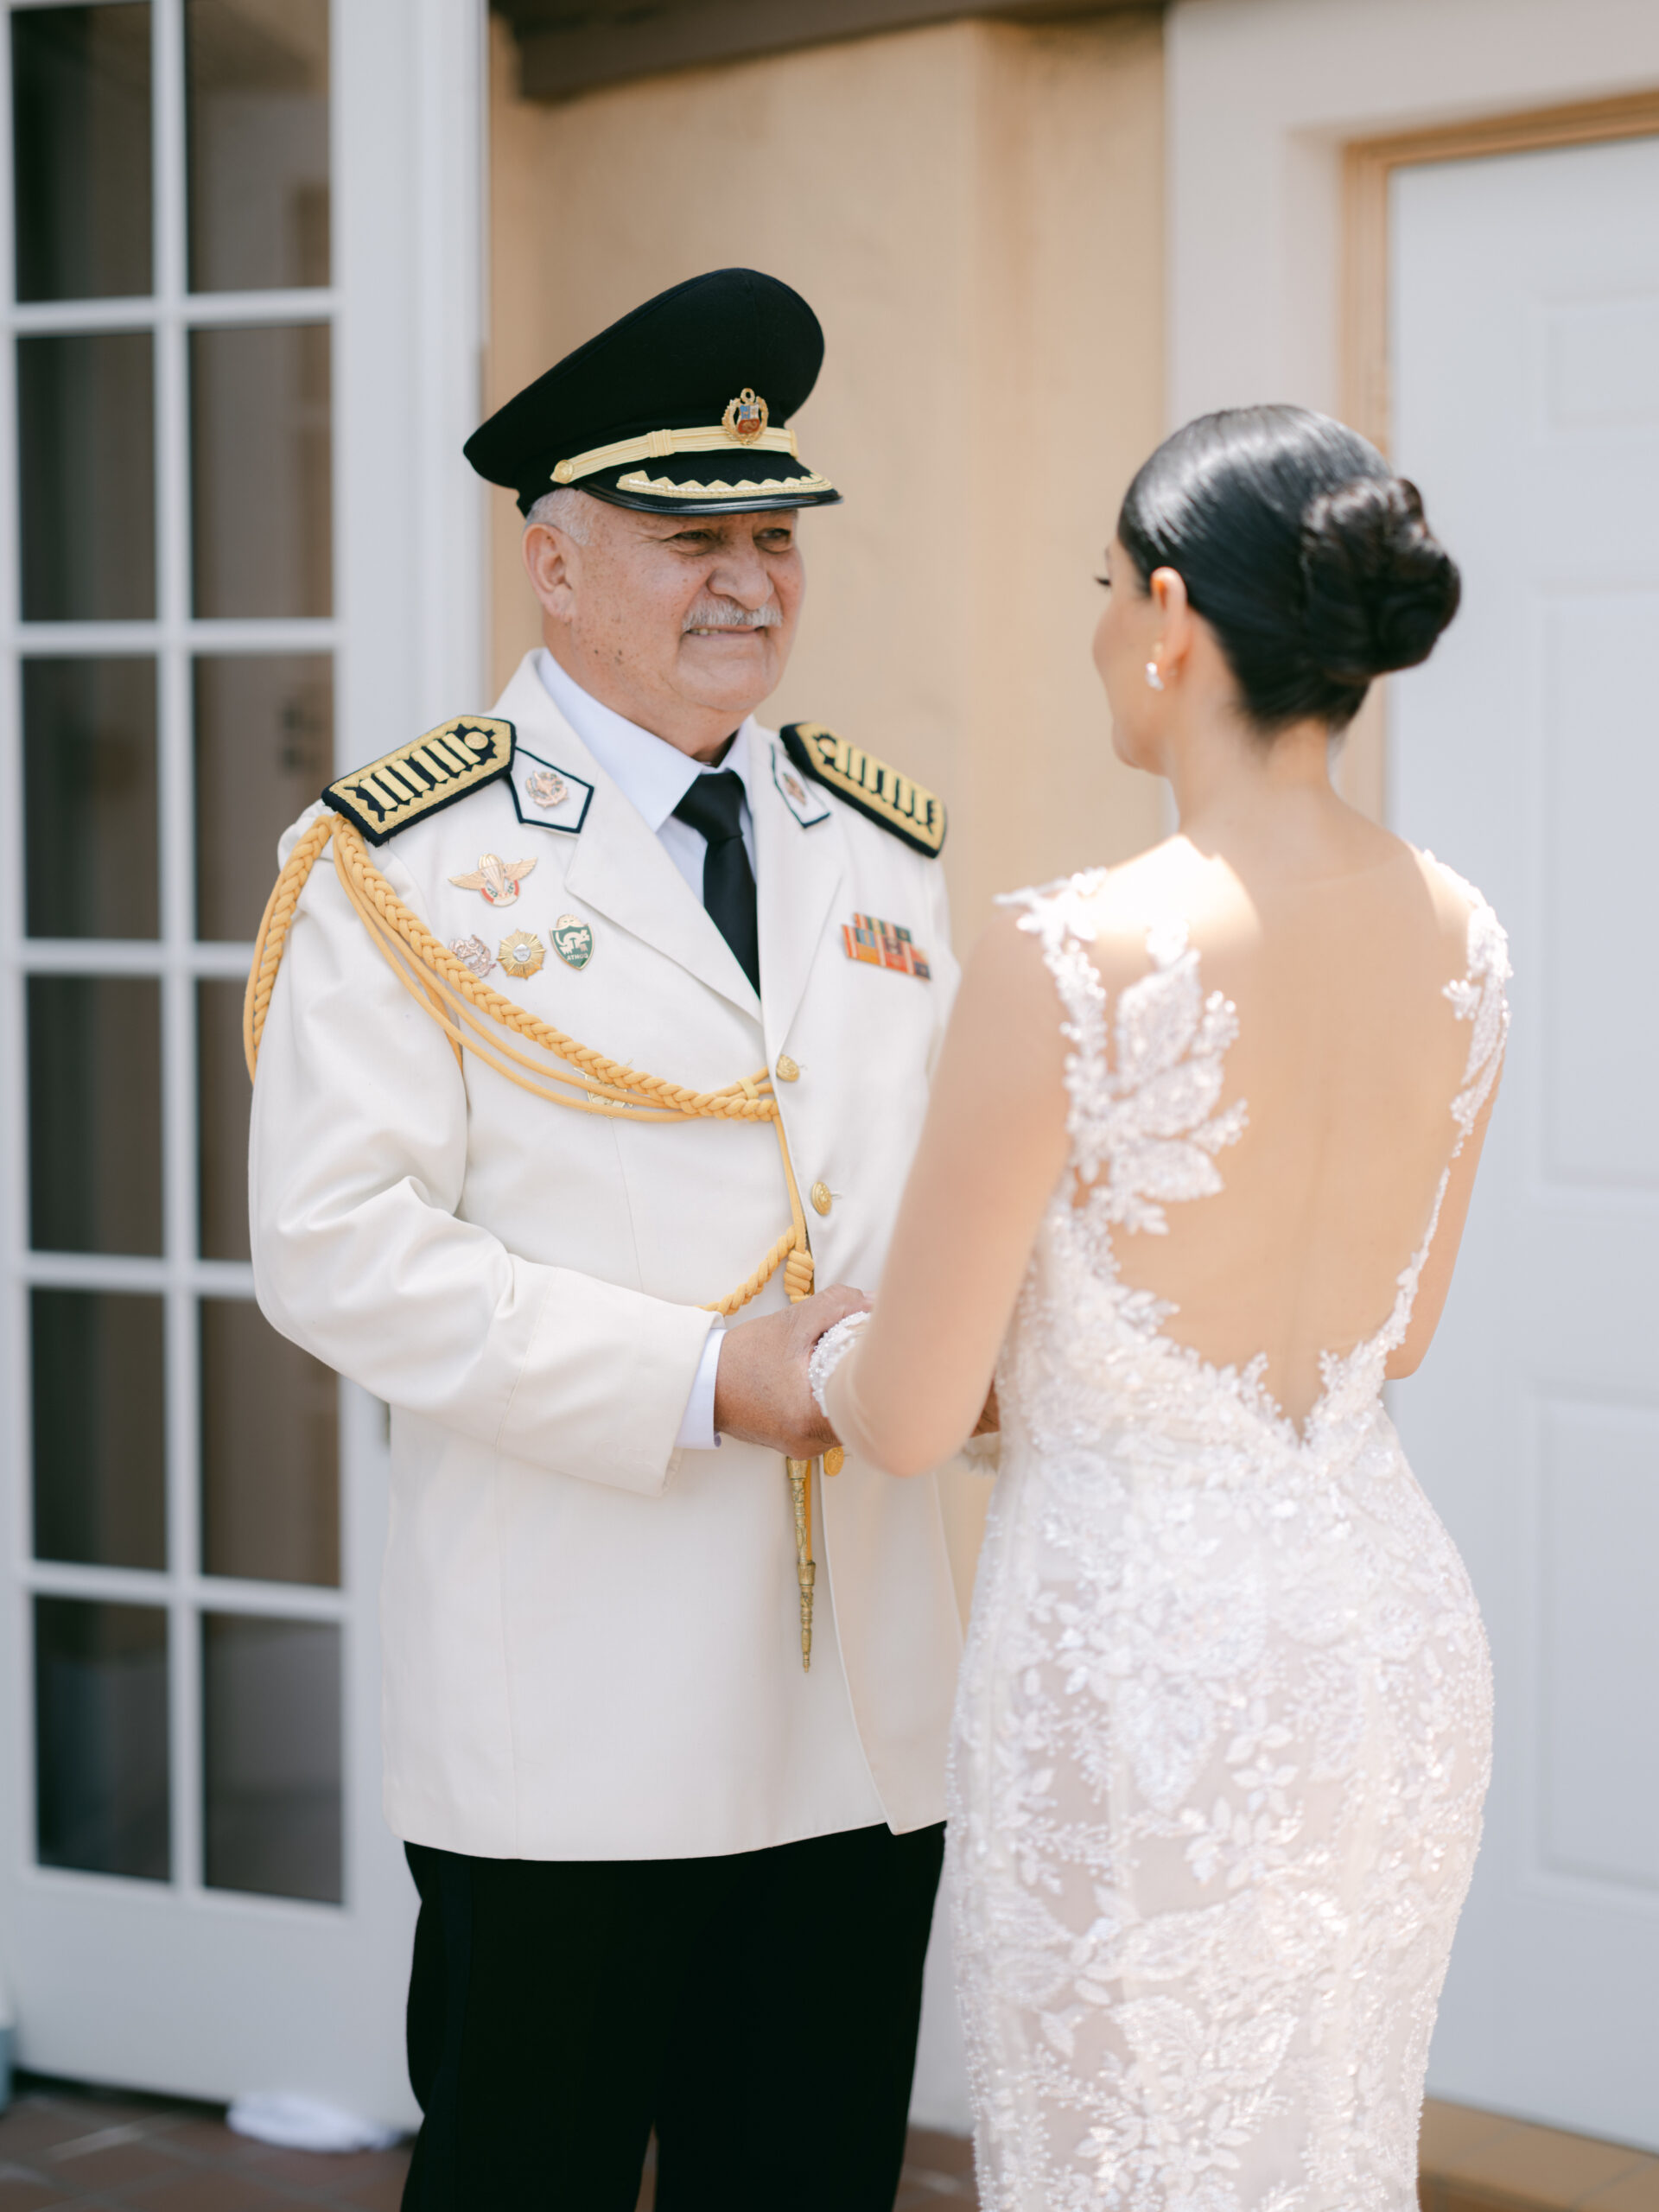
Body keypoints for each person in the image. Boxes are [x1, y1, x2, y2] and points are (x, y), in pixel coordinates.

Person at [245, 268, 965, 2210]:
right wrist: (700, 1375)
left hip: (856, 1710)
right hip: (572, 1714)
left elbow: (926, 1194)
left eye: (773, 537)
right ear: (553, 564)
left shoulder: (878, 847)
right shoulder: (405, 865)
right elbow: (334, 1246)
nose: (748, 581)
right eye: (686, 538)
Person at [807, 406, 1505, 2210]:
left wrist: (828, 1341)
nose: (1100, 624)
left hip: (1139, 1661)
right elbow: (1399, 1338)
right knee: (1323, 2149)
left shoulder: (1071, 953)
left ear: (1173, 617)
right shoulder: (1464, 934)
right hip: (1379, 1636)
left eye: (1107, 585)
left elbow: (904, 1417)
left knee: (1124, 2160)